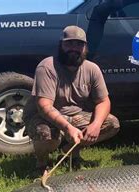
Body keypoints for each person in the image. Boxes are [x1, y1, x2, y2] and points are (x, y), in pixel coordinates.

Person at [23, 26, 120, 173]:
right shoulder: (47, 67)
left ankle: (68, 152)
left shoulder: (92, 69)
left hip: (75, 115)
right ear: (61, 45)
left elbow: (104, 101)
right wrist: (67, 128)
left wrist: (95, 124)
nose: (74, 48)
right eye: (69, 44)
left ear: (85, 47)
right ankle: (42, 162)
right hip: (44, 116)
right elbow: (44, 106)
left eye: (79, 44)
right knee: (45, 133)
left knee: (112, 124)